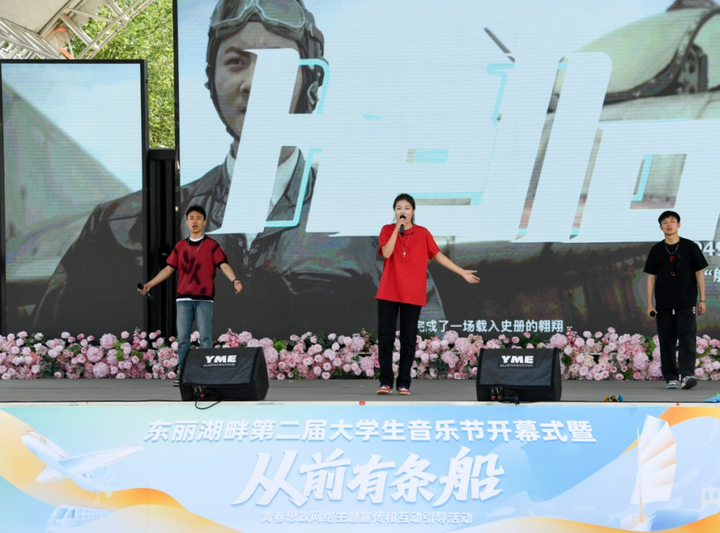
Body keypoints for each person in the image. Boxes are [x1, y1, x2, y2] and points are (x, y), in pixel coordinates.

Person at [32, 0, 444, 338]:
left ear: (311, 83)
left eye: (276, 65)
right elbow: (50, 351)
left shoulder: (366, 227)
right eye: (236, 62)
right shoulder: (122, 225)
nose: (252, 83)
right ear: (210, 82)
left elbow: (429, 341)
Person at [375, 194, 480, 395]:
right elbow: (386, 253)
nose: (402, 211)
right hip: (389, 292)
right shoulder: (387, 230)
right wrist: (397, 229)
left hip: (412, 294)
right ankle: (385, 382)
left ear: (413, 211)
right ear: (394, 211)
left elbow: (438, 256)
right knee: (385, 338)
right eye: (398, 208)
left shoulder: (422, 233)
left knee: (408, 340)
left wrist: (461, 272)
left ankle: (404, 383)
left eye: (406, 208)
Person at [138, 205, 242, 384]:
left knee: (205, 338)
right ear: (186, 222)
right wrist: (149, 284)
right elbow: (168, 269)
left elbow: (223, 264)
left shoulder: (211, 245)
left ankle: (206, 376)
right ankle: (185, 375)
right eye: (191, 218)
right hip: (183, 299)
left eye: (198, 218)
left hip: (204, 299)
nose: (195, 221)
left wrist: (234, 280)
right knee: (183, 340)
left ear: (204, 222)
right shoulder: (180, 246)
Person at [644, 210, 708, 390]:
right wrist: (649, 304)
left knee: (687, 338)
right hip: (663, 304)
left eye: (672, 221)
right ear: (660, 227)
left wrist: (702, 299)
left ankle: (687, 375)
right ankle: (671, 377)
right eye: (665, 222)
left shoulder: (690, 246)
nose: (669, 225)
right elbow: (651, 278)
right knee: (666, 340)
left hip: (686, 302)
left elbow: (699, 273)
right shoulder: (656, 250)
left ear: (678, 225)